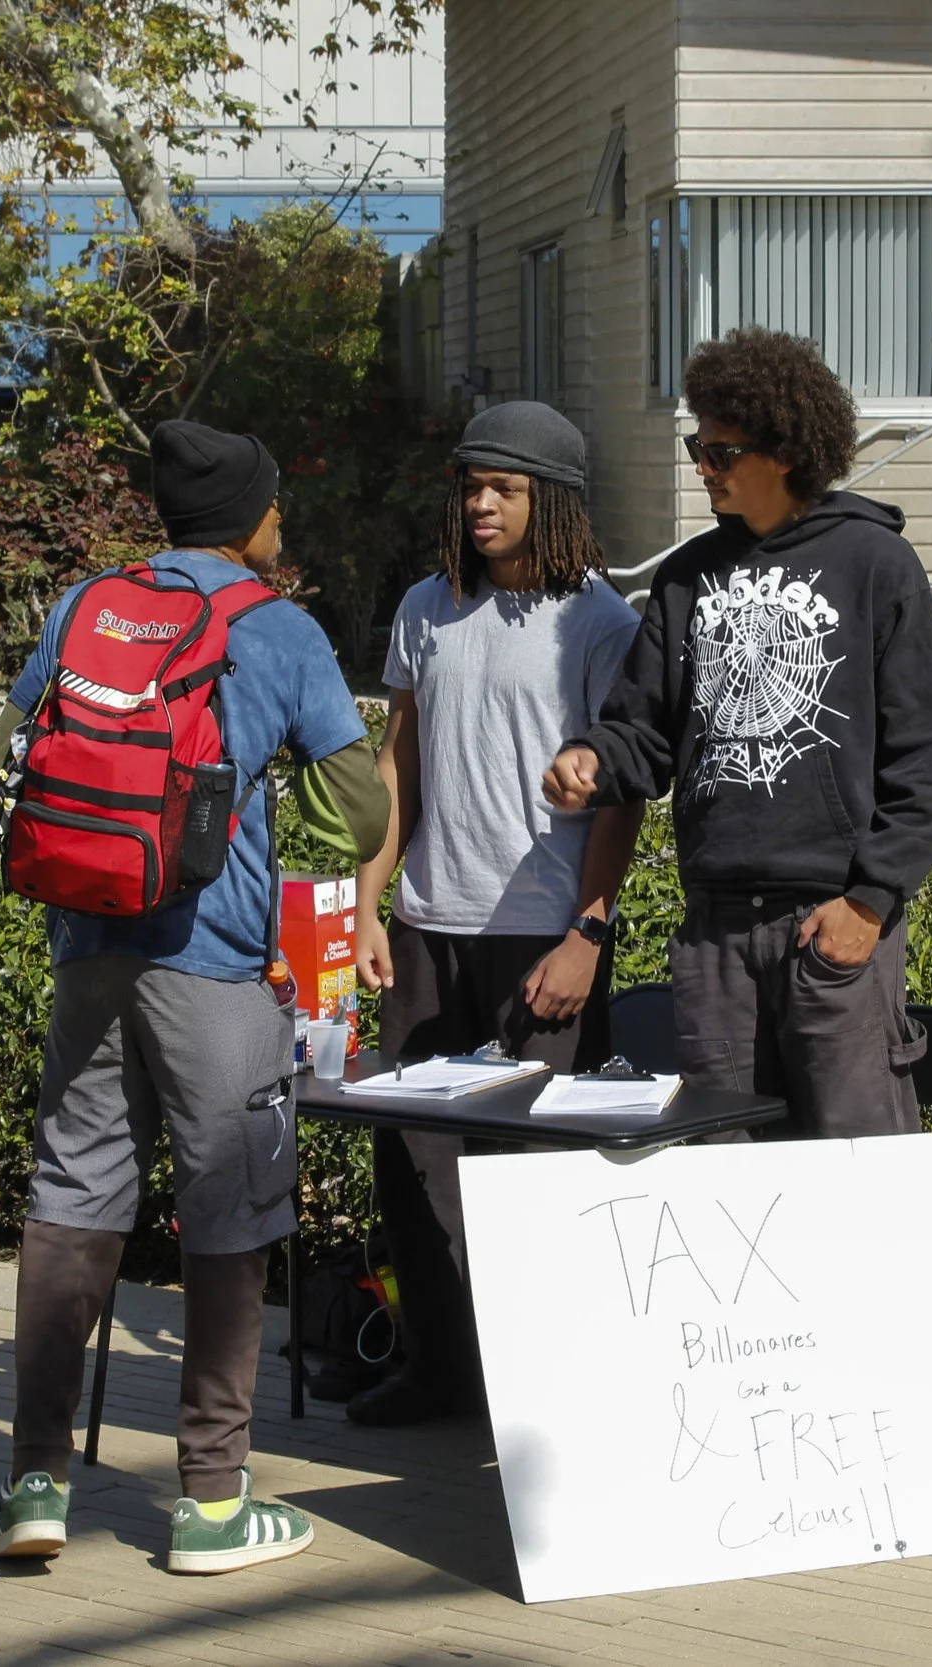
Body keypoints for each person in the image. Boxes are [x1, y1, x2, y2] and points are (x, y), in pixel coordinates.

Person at [0, 418, 390, 1574]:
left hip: (85, 942)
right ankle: (211, 1500)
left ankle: (33, 1483)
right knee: (232, 1204)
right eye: (277, 507)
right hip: (212, 961)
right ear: (253, 515)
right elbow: (360, 815)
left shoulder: (86, 605)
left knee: (73, 1191)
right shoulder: (277, 626)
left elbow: (18, 741)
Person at [543, 326, 932, 1140]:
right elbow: (646, 732)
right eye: (699, 445)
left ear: (786, 449)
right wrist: (593, 757)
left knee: (856, 1172)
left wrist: (868, 906)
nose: (703, 466)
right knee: (723, 1176)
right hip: (715, 935)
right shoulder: (685, 578)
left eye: (721, 452)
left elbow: (926, 762)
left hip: (832, 921)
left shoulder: (877, 564)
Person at [346, 401, 641, 1427]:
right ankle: (436, 1366)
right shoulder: (427, 605)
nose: (478, 502)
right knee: (413, 1160)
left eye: (502, 487)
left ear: (549, 498)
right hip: (429, 925)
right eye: (470, 483)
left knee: (530, 1176)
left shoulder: (601, 623)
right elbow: (399, 763)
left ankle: (535, 1396)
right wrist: (369, 902)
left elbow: (621, 792)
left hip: (539, 935)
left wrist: (584, 932)